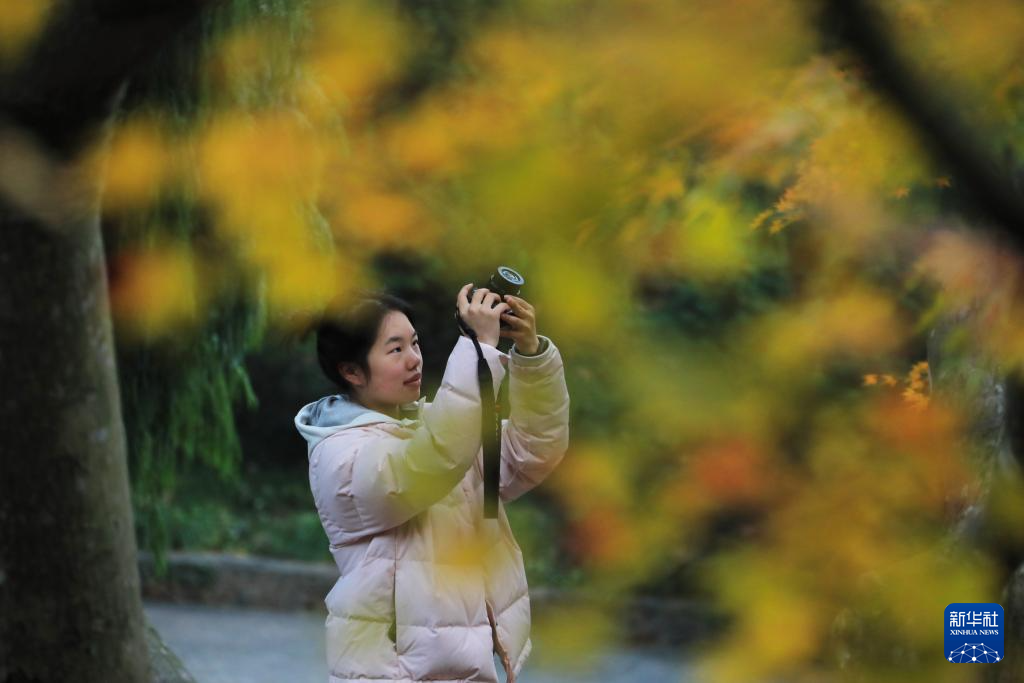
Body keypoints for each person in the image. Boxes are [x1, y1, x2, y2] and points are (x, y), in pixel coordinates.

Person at [294, 284, 571, 683]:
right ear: (351, 371)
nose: (414, 360)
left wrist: (530, 353)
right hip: (388, 671)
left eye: (415, 343)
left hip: (465, 667)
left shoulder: (435, 429)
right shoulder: (341, 454)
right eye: (395, 350)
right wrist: (477, 352)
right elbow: (434, 461)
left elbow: (533, 450)